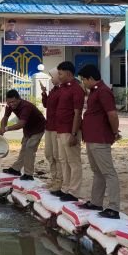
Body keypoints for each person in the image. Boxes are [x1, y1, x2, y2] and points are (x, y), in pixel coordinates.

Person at [78, 64, 122, 219]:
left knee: (108, 172)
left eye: (83, 79)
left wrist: (115, 132)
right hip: (91, 137)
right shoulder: (94, 92)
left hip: (100, 138)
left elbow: (112, 115)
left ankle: (114, 207)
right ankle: (96, 202)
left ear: (90, 78)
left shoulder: (103, 91)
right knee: (97, 172)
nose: (83, 82)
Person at [54, 61, 85, 202]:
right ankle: (65, 188)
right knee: (63, 160)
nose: (58, 76)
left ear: (68, 73)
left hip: (69, 130)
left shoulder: (76, 89)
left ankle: (74, 191)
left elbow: (77, 113)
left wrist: (73, 134)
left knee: (73, 161)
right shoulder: (63, 88)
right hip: (60, 130)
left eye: (60, 73)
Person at [0, 89, 46, 180]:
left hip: (38, 128)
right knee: (24, 147)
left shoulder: (26, 106)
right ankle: (16, 169)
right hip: (28, 129)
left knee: (30, 148)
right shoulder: (9, 106)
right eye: (9, 102)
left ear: (18, 99)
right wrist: (2, 128)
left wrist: (6, 129)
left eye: (13, 102)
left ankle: (28, 174)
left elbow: (21, 124)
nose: (11, 104)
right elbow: (5, 117)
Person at [42, 69, 63, 194]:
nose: (51, 79)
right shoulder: (53, 90)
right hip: (49, 126)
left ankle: (60, 181)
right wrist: (44, 93)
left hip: (57, 128)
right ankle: (54, 178)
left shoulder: (62, 91)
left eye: (52, 76)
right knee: (49, 154)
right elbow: (47, 105)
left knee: (57, 155)